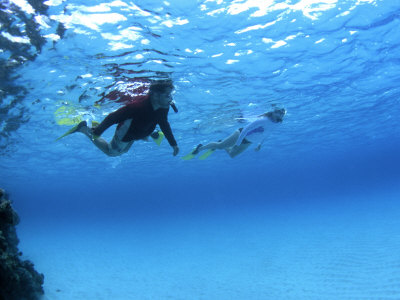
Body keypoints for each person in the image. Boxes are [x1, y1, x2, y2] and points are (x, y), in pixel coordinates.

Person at [68, 79, 179, 157]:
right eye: (167, 95)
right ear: (155, 95)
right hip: (126, 133)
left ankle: (94, 127)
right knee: (112, 153)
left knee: (124, 151)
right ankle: (84, 129)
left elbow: (164, 124)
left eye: (170, 95)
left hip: (138, 132)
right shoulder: (137, 106)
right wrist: (98, 132)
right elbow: (113, 117)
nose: (170, 99)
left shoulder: (163, 107)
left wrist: (173, 144)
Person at [183, 107, 286, 160]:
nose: (280, 114)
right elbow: (245, 130)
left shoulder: (277, 124)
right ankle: (199, 148)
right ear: (273, 112)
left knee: (232, 155)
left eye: (282, 113)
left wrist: (260, 145)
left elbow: (267, 134)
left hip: (249, 141)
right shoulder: (262, 120)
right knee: (220, 146)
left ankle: (222, 144)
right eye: (278, 112)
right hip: (240, 135)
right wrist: (237, 143)